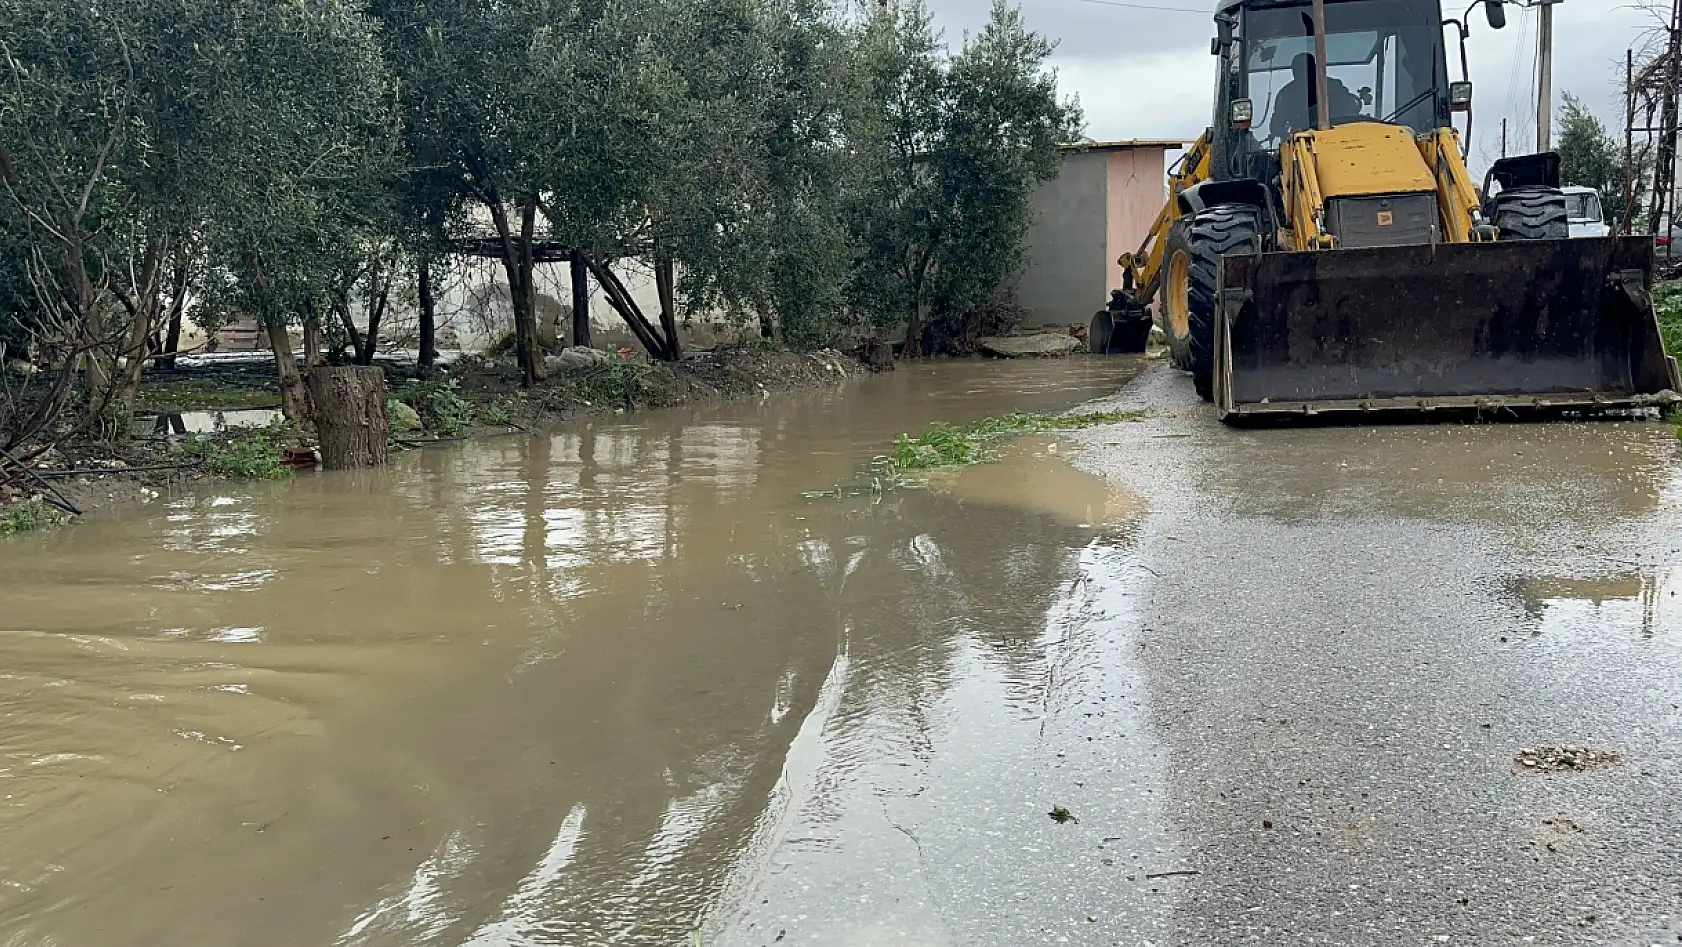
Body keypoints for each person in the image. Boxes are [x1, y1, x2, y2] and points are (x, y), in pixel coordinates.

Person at [1268, 52, 1366, 141]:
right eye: (1298, 70)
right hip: (1301, 147)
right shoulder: (1286, 95)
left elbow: (1351, 111)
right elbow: (1276, 127)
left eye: (1304, 69)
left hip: (1338, 140)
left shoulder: (1334, 87)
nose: (1302, 73)